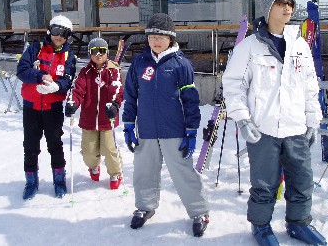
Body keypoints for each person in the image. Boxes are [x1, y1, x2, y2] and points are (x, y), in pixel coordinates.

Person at [222, 0, 326, 246]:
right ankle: (261, 226)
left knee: (302, 181)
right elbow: (234, 84)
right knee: (264, 184)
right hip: (263, 130)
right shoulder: (250, 46)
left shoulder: (300, 44)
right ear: (269, 9)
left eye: (290, 3)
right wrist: (243, 119)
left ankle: (299, 223)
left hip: (296, 128)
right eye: (282, 3)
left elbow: (310, 85)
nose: (288, 8)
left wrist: (312, 121)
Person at [122, 13, 209, 237]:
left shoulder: (181, 64)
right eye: (152, 36)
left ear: (171, 38)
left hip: (174, 129)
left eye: (161, 36)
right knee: (144, 171)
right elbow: (130, 95)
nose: (156, 41)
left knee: (183, 171)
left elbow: (190, 98)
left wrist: (191, 130)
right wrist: (129, 124)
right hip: (147, 129)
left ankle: (199, 212)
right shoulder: (140, 63)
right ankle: (145, 207)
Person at [17, 15, 76, 200]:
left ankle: (59, 181)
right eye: (56, 31)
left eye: (64, 33)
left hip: (53, 108)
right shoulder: (35, 49)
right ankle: (31, 181)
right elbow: (22, 71)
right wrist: (41, 76)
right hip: (31, 107)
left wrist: (56, 87)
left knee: (55, 144)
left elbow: (67, 80)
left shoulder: (68, 56)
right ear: (50, 30)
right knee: (31, 145)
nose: (59, 36)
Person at [64, 37, 123, 190]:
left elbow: (117, 89)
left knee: (109, 149)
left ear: (107, 53)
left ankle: (115, 172)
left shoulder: (113, 71)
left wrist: (114, 104)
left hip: (107, 118)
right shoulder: (85, 72)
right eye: (94, 51)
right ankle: (94, 166)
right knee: (88, 151)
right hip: (89, 119)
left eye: (102, 51)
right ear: (89, 54)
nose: (98, 55)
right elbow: (78, 90)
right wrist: (72, 102)